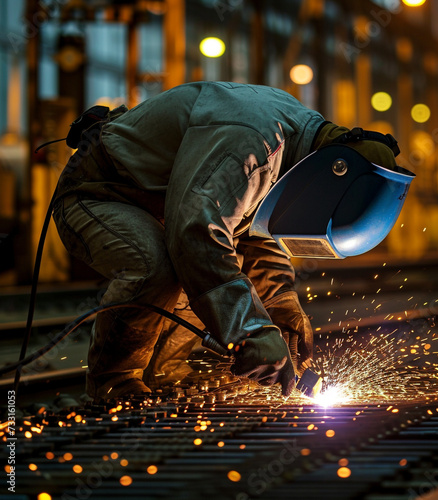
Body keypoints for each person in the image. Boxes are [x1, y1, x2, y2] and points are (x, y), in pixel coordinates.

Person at [51, 81, 412, 400]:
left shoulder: (300, 149)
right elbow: (197, 236)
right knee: (165, 266)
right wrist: (252, 331)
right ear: (333, 175)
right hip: (100, 193)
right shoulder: (253, 145)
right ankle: (115, 382)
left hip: (164, 208)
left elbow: (251, 234)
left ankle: (162, 378)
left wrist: (280, 304)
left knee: (204, 273)